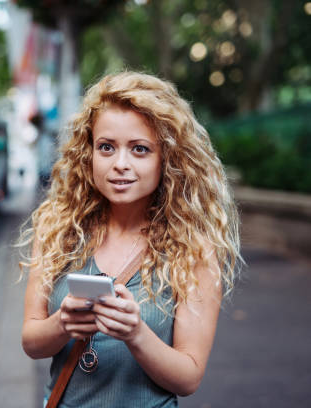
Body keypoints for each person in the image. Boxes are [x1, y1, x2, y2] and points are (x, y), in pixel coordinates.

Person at [18, 71, 241, 407]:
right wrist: (62, 323)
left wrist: (136, 334)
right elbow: (32, 343)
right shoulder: (57, 228)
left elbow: (188, 377)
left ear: (166, 158)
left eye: (139, 149)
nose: (120, 164)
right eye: (106, 147)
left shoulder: (195, 247)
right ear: (89, 153)